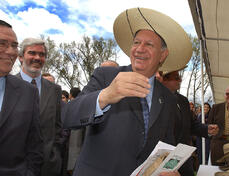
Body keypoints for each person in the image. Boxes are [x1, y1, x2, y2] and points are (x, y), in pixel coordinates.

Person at [62, 7, 193, 176]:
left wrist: (167, 170)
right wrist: (106, 95)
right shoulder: (106, 76)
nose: (140, 49)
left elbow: (166, 144)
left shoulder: (167, 97)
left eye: (149, 44)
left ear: (163, 55)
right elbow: (67, 116)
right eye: (136, 42)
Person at [0, 20, 43, 175]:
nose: (11, 52)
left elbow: (34, 145)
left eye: (14, 45)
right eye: (2, 44)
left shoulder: (28, 93)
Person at [157, 70, 218, 175]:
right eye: (176, 78)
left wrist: (206, 129)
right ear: (164, 79)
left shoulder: (183, 101)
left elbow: (192, 124)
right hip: (162, 159)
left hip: (183, 158)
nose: (180, 80)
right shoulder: (154, 99)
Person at [17, 37, 63, 176]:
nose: (37, 58)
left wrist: (55, 155)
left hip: (48, 167)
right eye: (32, 53)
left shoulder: (55, 90)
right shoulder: (7, 85)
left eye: (42, 55)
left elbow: (58, 126)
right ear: (20, 57)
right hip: (13, 167)